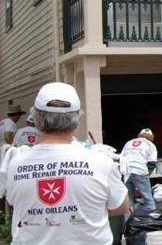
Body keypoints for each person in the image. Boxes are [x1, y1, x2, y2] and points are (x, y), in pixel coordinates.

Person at [5, 82, 129, 244]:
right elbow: (121, 206)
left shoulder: (16, 163)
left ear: (35, 118)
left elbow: (15, 202)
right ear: (77, 118)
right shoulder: (100, 161)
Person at [121, 128, 157, 212]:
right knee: (148, 200)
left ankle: (130, 223)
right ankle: (150, 222)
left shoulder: (129, 143)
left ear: (139, 135)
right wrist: (147, 175)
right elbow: (151, 163)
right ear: (152, 138)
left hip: (126, 172)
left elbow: (121, 158)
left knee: (128, 202)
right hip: (140, 171)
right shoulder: (150, 145)